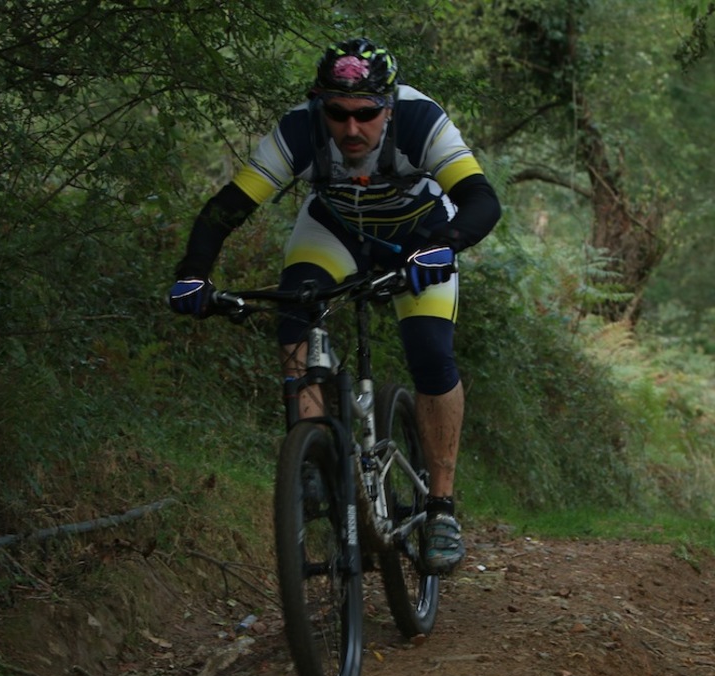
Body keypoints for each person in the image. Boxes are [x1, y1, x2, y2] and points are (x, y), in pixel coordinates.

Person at [168, 38, 501, 575]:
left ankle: (441, 508)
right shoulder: (299, 129)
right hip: (333, 231)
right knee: (293, 310)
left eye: (366, 114)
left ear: (388, 107)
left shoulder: (420, 121)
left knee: (430, 353)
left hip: (416, 236)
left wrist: (445, 244)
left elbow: (482, 199)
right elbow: (226, 208)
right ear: (319, 104)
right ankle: (312, 456)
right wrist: (193, 273)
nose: (351, 128)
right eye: (337, 113)